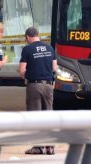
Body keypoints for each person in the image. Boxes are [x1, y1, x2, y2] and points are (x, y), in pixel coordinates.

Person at [19, 27, 57, 155]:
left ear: (28, 37)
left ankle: (38, 147)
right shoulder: (50, 48)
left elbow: (22, 69)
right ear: (38, 35)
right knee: (48, 116)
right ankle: (50, 147)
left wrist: (26, 76)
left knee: (35, 116)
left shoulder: (27, 49)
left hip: (34, 85)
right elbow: (54, 67)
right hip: (48, 85)